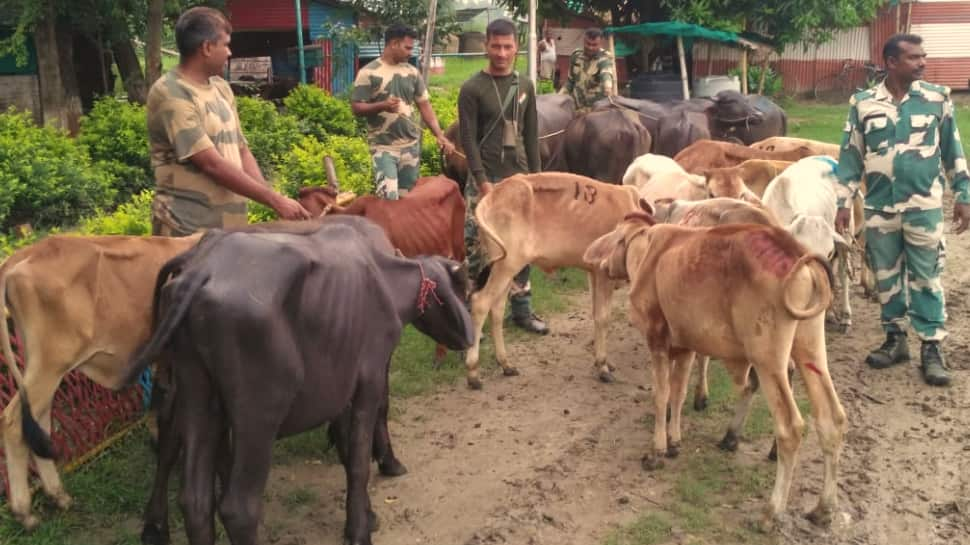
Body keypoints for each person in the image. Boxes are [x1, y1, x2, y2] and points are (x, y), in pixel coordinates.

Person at [836, 33, 970, 386]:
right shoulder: (863, 103)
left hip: (923, 207)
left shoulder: (936, 99)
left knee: (926, 277)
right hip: (880, 209)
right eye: (914, 58)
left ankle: (931, 347)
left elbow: (952, 149)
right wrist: (843, 201)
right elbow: (850, 156)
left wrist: (964, 192)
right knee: (886, 277)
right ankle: (895, 339)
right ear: (892, 62)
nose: (922, 63)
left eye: (923, 56)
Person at [147, 6, 309, 237]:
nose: (229, 52)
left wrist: (274, 199)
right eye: (225, 44)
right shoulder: (171, 93)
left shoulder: (221, 89)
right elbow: (211, 164)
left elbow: (242, 151)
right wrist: (275, 201)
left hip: (230, 231)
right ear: (206, 47)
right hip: (186, 231)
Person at [458, 18, 548, 335]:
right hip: (484, 179)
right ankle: (473, 321)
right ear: (486, 45)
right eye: (495, 46)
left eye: (507, 46)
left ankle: (521, 310)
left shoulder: (525, 86)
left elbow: (532, 133)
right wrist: (482, 181)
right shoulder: (471, 88)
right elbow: (468, 140)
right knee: (477, 245)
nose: (501, 53)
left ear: (516, 48)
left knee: (522, 244)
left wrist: (537, 180)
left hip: (520, 178)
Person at [351, 23, 455, 200]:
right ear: (393, 44)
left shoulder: (412, 72)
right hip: (383, 148)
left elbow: (425, 106)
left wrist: (440, 135)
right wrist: (382, 106)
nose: (410, 52)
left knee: (408, 201)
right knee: (388, 200)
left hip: (410, 147)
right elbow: (356, 107)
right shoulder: (368, 72)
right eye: (407, 47)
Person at [559, 27, 615, 110]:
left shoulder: (605, 58)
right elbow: (570, 81)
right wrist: (558, 96)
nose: (590, 48)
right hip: (575, 107)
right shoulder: (576, 55)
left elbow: (606, 74)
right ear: (584, 41)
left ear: (601, 44)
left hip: (596, 110)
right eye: (588, 44)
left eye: (594, 45)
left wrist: (608, 87)